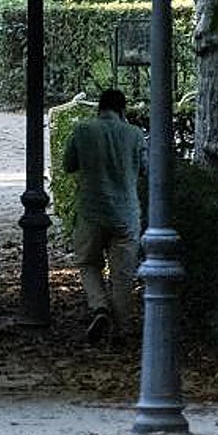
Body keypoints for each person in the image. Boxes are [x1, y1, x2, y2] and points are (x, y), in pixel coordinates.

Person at [62, 88, 147, 345]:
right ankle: (121, 330)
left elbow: (68, 164)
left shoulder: (83, 130)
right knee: (123, 275)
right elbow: (145, 169)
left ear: (99, 108)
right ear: (122, 110)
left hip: (92, 210)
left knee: (88, 263)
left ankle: (99, 307)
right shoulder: (134, 134)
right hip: (126, 213)